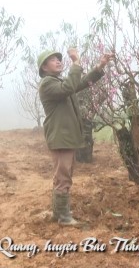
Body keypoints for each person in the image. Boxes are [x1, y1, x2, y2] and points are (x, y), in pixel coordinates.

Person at [37, 48, 113, 226]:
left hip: (65, 137)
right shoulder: (48, 84)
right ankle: (64, 217)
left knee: (63, 175)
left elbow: (82, 83)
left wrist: (100, 66)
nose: (58, 61)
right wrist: (76, 63)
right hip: (61, 137)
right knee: (63, 176)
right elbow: (71, 86)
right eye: (53, 60)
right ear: (44, 67)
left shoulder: (59, 82)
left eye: (58, 58)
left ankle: (59, 213)